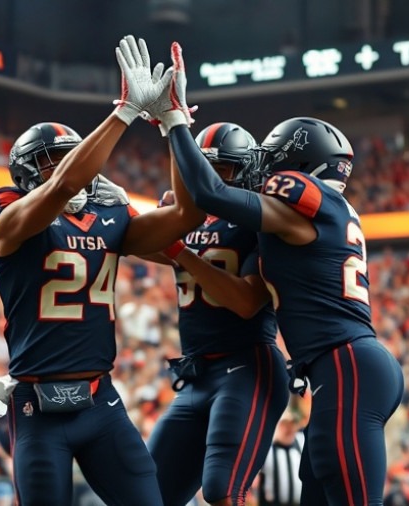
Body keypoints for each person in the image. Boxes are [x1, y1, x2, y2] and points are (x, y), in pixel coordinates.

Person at [143, 41, 405, 505]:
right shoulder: (311, 216)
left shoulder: (303, 195)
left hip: (345, 364)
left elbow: (208, 194)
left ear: (297, 166)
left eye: (273, 157)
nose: (263, 168)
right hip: (339, 368)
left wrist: (175, 120)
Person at [0, 36, 204, 505]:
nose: (63, 167)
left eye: (70, 155)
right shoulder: (5, 208)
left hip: (100, 399)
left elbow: (186, 216)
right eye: (50, 160)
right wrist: (123, 111)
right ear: (24, 173)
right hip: (37, 403)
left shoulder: (110, 213)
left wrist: (172, 122)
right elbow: (62, 186)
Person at [146, 122, 288, 505]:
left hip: (247, 367)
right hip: (198, 375)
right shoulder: (187, 218)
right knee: (144, 494)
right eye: (202, 167)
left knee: (223, 491)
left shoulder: (262, 221)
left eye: (220, 169)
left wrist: (178, 250)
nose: (208, 177)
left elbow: (246, 302)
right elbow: (130, 242)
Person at [257, 411, 305, 506]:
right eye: (285, 425)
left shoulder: (301, 442)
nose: (289, 429)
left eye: (292, 424)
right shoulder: (266, 448)